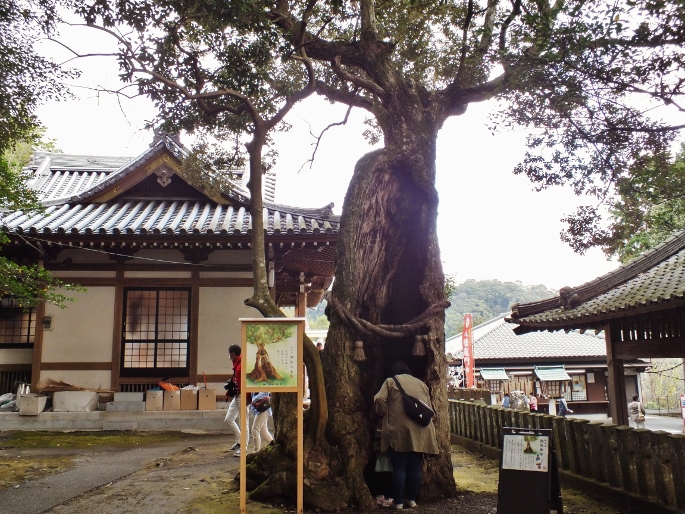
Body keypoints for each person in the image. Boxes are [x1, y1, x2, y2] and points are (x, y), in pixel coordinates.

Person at [374, 361, 438, 510]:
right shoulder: (421, 383)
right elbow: (427, 407)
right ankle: (412, 500)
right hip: (421, 430)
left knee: (399, 466)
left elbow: (379, 399)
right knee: (415, 466)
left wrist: (382, 413)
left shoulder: (391, 381)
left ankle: (398, 502)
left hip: (399, 430)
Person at [224, 344, 248, 456]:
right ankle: (240, 441)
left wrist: (235, 389)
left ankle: (244, 447)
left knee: (244, 422)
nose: (229, 357)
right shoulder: (237, 364)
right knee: (229, 419)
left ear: (232, 354)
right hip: (237, 396)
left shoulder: (241, 365)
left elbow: (243, 383)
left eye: (230, 354)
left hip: (242, 395)